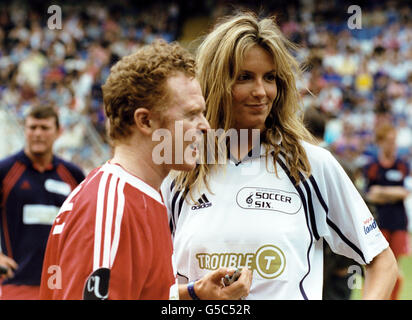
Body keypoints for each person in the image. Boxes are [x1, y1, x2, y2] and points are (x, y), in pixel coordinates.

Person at [161, 12, 398, 300]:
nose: (261, 91)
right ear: (216, 83)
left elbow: (382, 262)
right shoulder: (178, 172)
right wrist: (195, 294)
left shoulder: (310, 165)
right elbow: (152, 290)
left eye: (269, 78)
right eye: (245, 77)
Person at [39, 40, 252, 300]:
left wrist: (195, 293)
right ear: (146, 120)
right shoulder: (113, 207)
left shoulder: (138, 195)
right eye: (191, 114)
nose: (206, 126)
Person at [0, 105, 85, 300]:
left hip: (61, 286)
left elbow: (85, 225)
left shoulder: (72, 175)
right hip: (17, 284)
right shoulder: (5, 171)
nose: (38, 134)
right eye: (33, 127)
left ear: (58, 132)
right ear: (25, 130)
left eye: (44, 128)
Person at [364, 123, 410, 300]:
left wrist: (382, 191)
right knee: (376, 265)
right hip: (379, 222)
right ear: (381, 142)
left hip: (398, 222)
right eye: (390, 141)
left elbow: (404, 193)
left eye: (395, 142)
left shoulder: (402, 165)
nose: (393, 145)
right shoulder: (372, 166)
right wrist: (392, 194)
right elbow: (369, 195)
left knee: (394, 266)